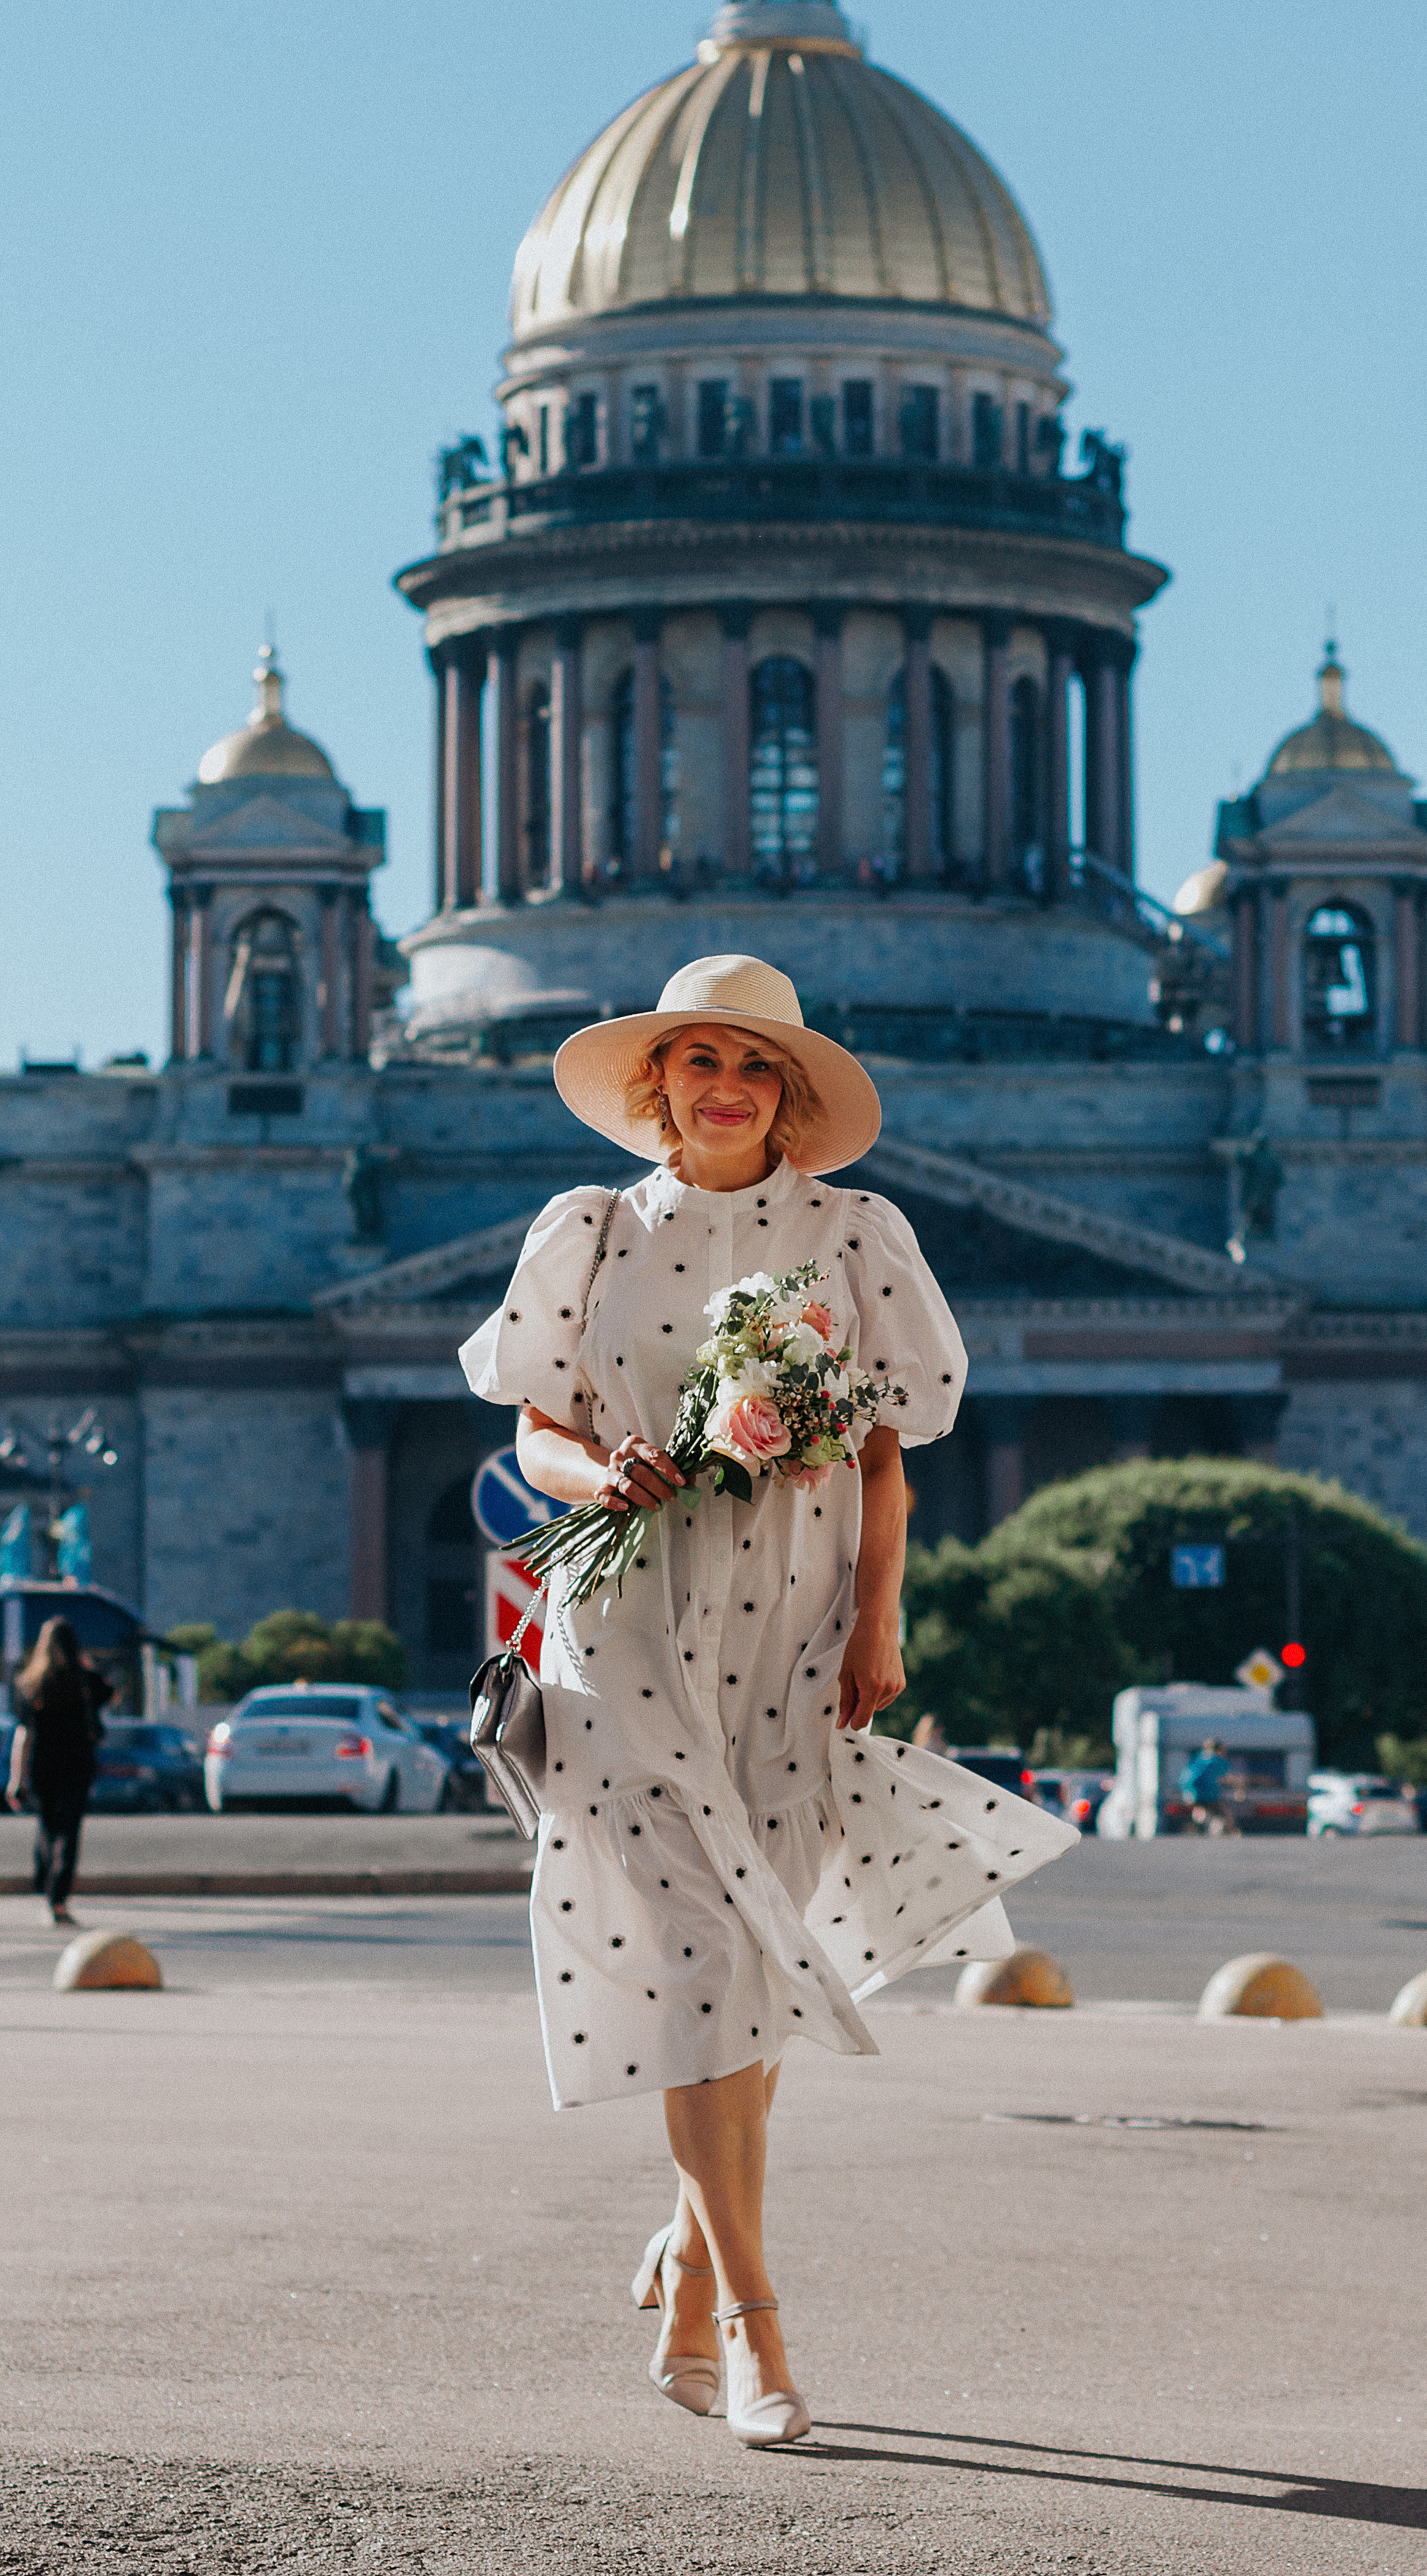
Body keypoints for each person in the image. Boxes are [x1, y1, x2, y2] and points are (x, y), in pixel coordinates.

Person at [461, 954, 1072, 2448]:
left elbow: (880, 1458)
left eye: (752, 1068)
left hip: (793, 1626)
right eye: (696, 1062)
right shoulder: (587, 1231)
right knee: (688, 1958)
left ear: (786, 1097)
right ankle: (751, 2324)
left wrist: (878, 1620)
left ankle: (683, 2258)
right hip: (620, 1620)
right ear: (653, 1085)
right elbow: (537, 1428)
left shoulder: (851, 1233)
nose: (722, 1088)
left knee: (750, 1958)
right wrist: (599, 1473)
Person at [6, 1617, 114, 1925]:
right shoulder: (86, 1681)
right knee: (69, 1831)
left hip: (42, 1765)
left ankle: (44, 1880)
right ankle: (58, 1899)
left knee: (48, 1825)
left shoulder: (30, 1683)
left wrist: (17, 1778)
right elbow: (112, 1694)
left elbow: (23, 1735)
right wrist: (85, 1664)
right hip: (77, 1765)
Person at [1181, 1737, 1237, 1835]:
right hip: (1207, 1792)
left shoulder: (1198, 1757)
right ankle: (1220, 1832)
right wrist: (1238, 1788)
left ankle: (1195, 1827)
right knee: (1223, 1813)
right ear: (1219, 1749)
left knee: (1202, 1809)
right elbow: (1227, 1778)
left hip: (1190, 1791)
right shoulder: (1216, 1760)